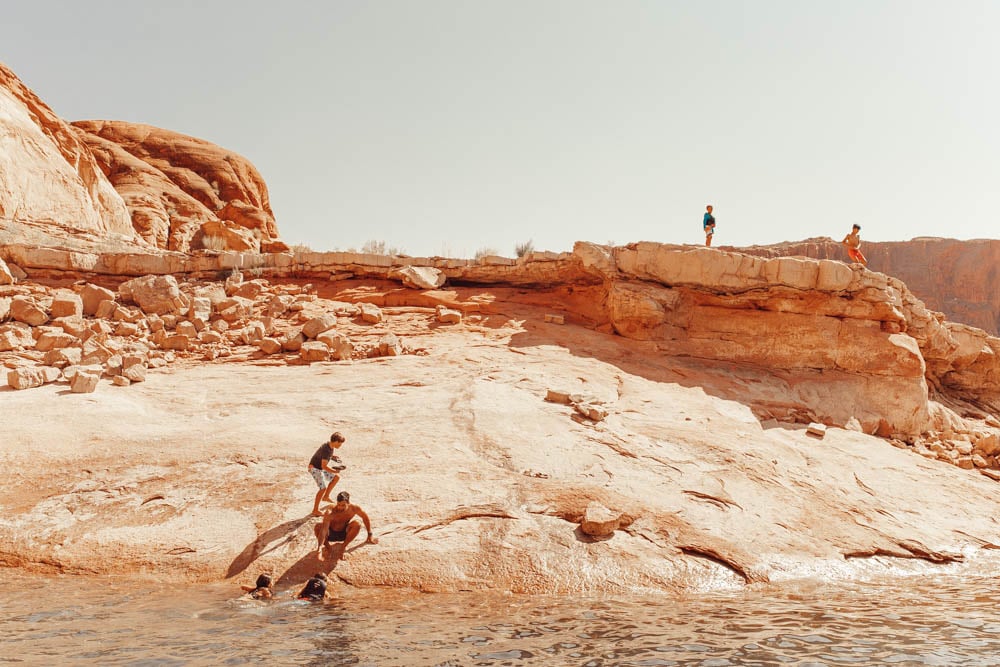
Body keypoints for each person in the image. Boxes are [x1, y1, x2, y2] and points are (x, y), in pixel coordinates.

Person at [314, 491, 378, 562]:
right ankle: (329, 548)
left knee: (357, 524)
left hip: (344, 533)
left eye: (343, 505)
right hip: (330, 534)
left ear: (348, 503)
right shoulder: (330, 511)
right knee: (318, 526)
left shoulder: (354, 508)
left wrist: (370, 534)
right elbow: (324, 530)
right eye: (338, 504)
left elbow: (365, 517)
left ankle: (343, 547)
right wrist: (319, 548)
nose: (340, 507)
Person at [308, 432, 347, 516]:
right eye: (340, 443)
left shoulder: (329, 446)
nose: (340, 445)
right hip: (315, 468)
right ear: (336, 441)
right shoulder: (326, 450)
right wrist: (334, 471)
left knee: (336, 478)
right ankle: (315, 510)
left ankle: (326, 497)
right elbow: (324, 466)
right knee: (322, 488)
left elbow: (325, 456)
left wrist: (333, 457)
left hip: (320, 468)